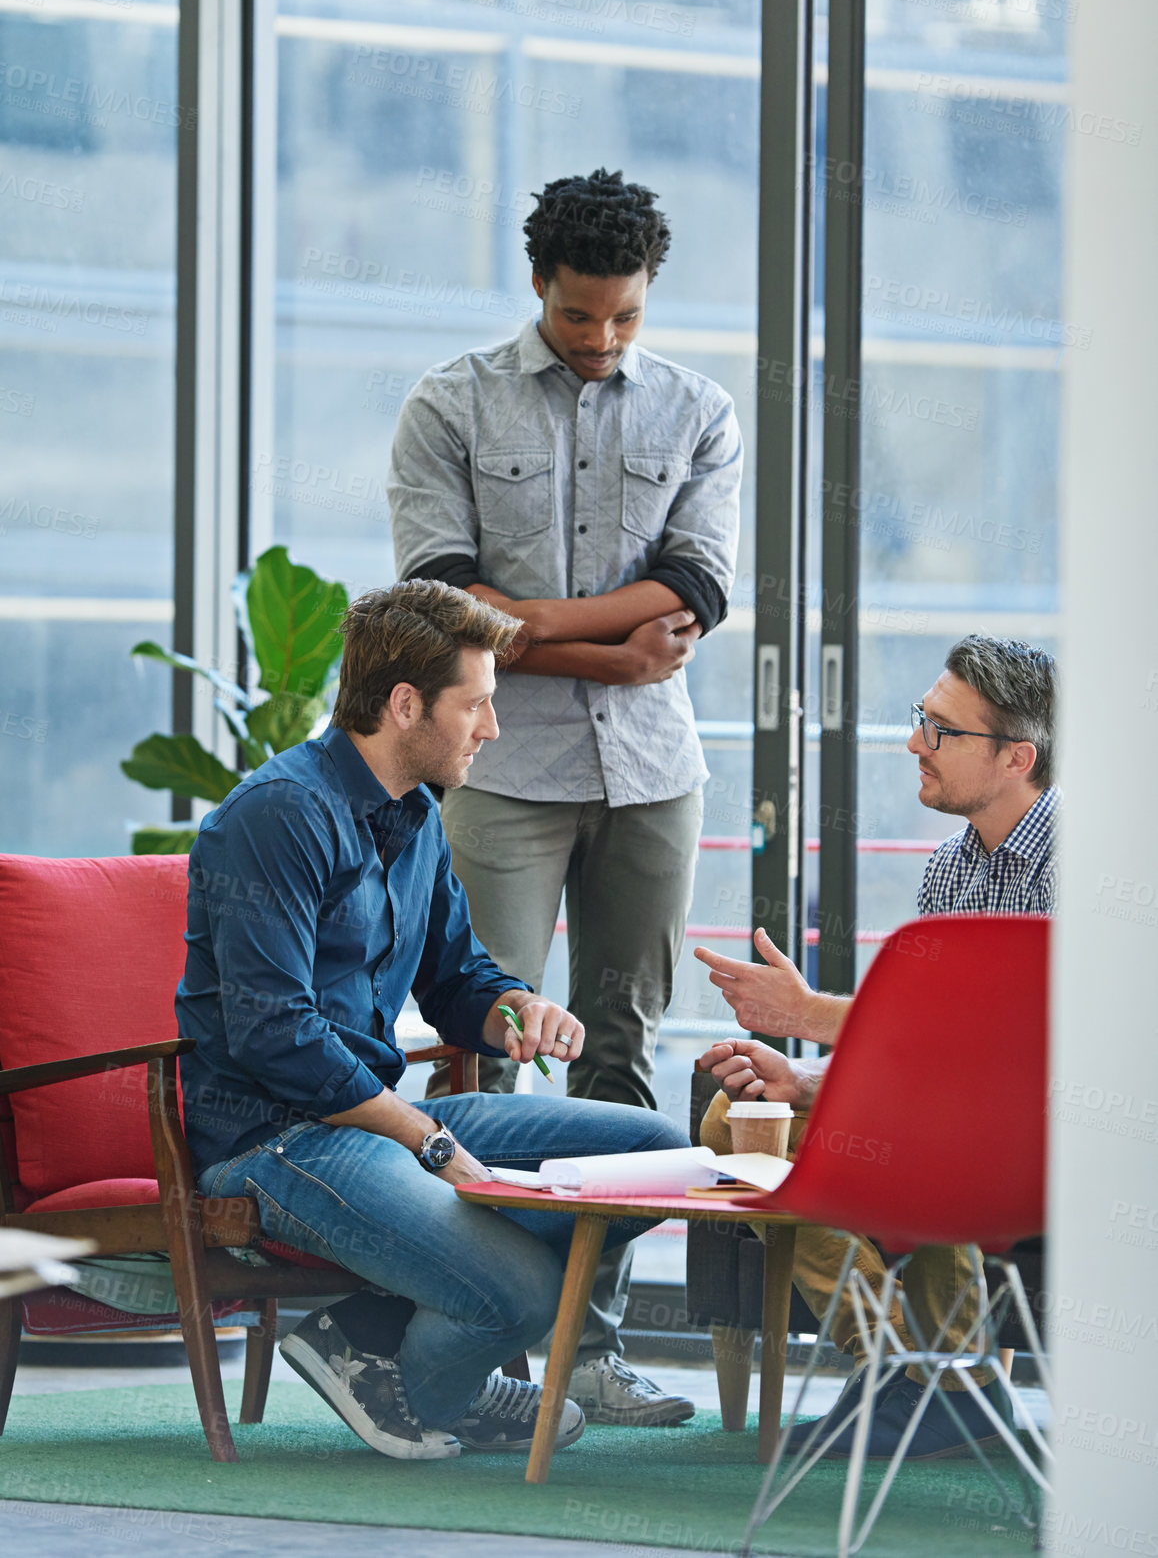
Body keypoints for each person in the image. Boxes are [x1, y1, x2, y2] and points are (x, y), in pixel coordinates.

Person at [176, 580, 690, 1462]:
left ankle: (361, 1336)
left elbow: (458, 978)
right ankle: (436, 1377)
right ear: (404, 704)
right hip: (278, 1139)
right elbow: (274, 1034)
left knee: (656, 1157)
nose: (492, 728)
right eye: (478, 704)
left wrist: (516, 1007)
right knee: (525, 1292)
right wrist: (426, 1141)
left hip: (376, 1122)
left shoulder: (414, 814)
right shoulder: (277, 815)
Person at [387, 167, 741, 1424]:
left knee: (625, 1047)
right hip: (504, 768)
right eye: (582, 314)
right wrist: (611, 645)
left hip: (653, 774)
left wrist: (530, 625)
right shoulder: (450, 405)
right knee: (483, 1042)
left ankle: (592, 1345)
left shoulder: (701, 410)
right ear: (541, 284)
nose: (602, 340)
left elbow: (695, 595)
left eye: (626, 317)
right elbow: (445, 609)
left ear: (648, 297)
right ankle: (472, 1341)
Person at [694, 634, 1058, 1459]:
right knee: (734, 1117)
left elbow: (1017, 1041)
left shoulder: (1077, 860)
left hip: (1043, 1122)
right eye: (919, 720)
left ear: (1016, 758)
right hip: (953, 1104)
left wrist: (810, 1011)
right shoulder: (948, 872)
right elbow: (926, 1047)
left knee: (934, 1126)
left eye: (942, 730)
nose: (913, 744)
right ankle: (909, 1370)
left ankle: (940, 1381)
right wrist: (807, 1076)